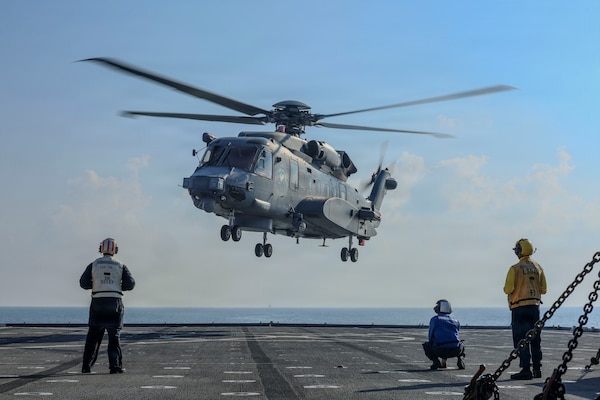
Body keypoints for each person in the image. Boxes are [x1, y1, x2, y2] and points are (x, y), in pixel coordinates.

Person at [80, 238, 135, 374]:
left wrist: (97, 284)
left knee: (93, 336)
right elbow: (130, 284)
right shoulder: (120, 265)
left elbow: (83, 283)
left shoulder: (94, 264)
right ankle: (115, 367)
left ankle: (86, 366)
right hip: (114, 302)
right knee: (114, 336)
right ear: (115, 250)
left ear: (101, 249)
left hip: (97, 301)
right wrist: (116, 285)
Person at [503, 238, 547, 380]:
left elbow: (508, 289)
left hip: (519, 308)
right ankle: (537, 369)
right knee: (535, 339)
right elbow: (544, 289)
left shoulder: (514, 268)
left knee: (521, 339)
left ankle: (525, 369)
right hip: (535, 308)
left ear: (519, 251)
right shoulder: (538, 267)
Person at [422, 299, 465, 370]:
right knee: (462, 344)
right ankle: (460, 358)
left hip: (439, 350)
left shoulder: (435, 319)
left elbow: (430, 336)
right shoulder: (456, 321)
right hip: (455, 350)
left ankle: (436, 361)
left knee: (427, 345)